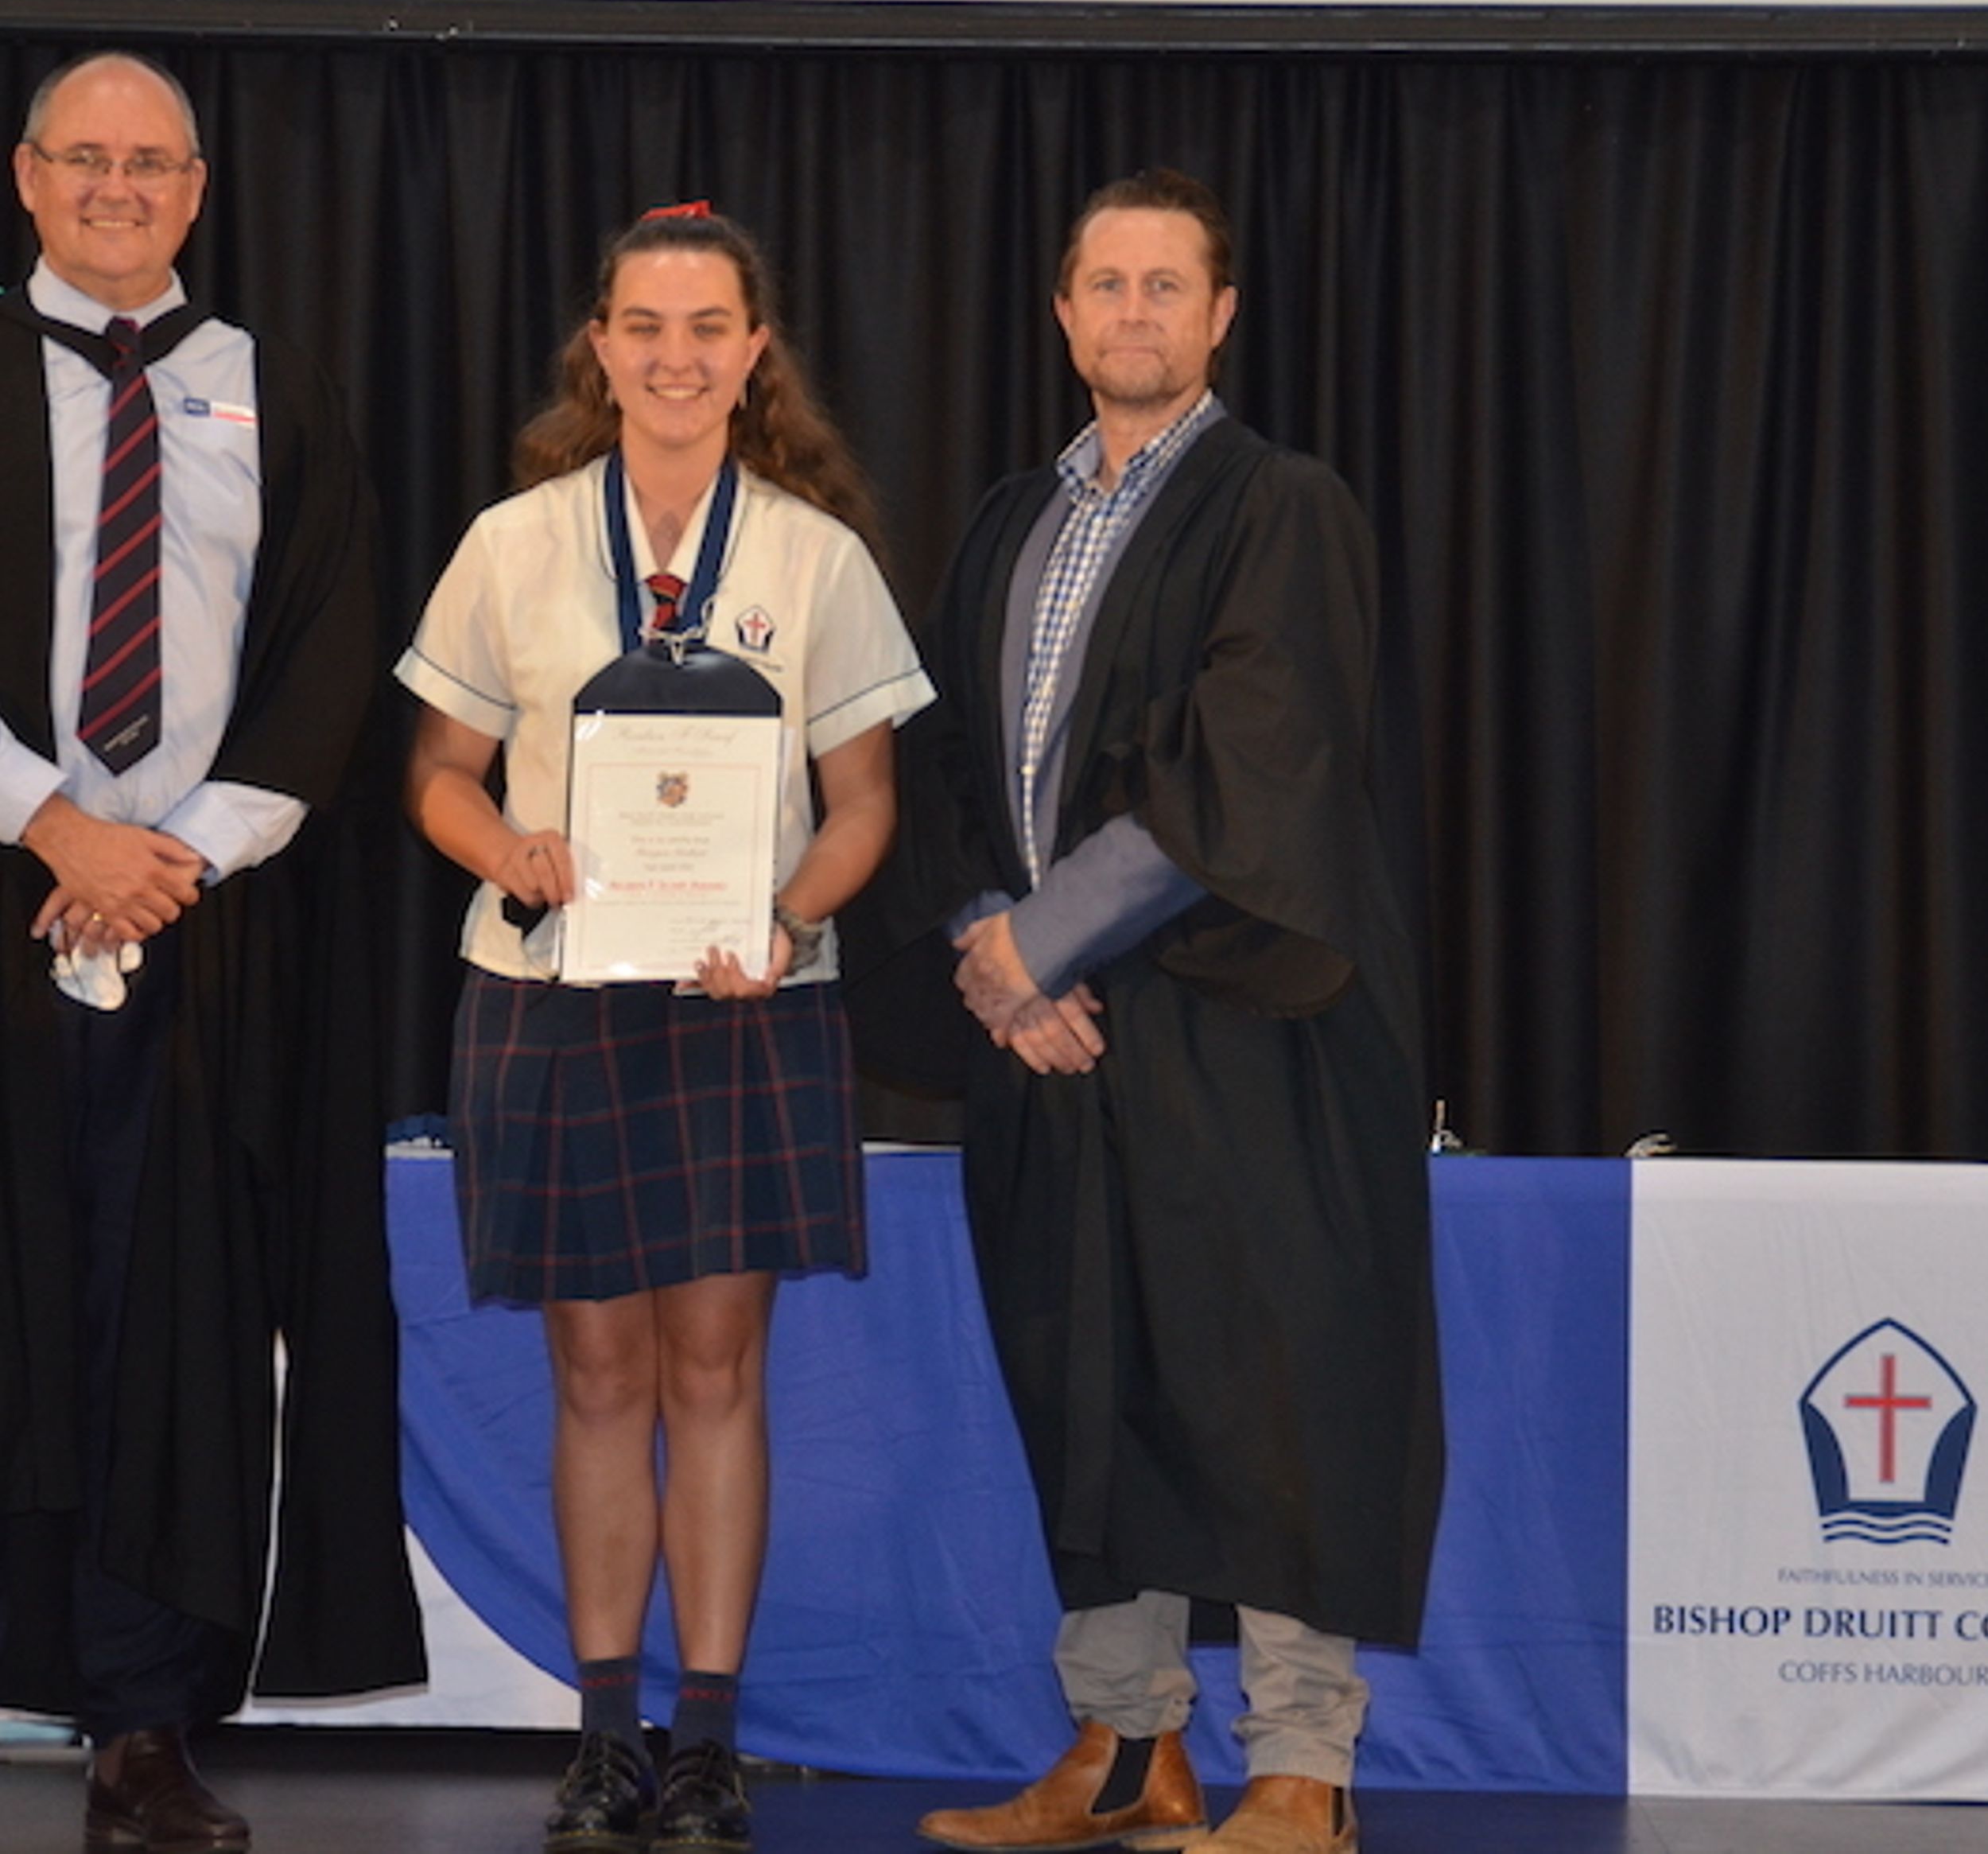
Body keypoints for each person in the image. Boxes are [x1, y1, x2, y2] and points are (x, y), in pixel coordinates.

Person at [901, 170, 1442, 1854]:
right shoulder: (1012, 518)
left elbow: (1253, 764)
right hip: (1055, 1036)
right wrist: (993, 950)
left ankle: (1300, 1769)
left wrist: (1039, 945)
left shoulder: (1282, 505)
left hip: (1252, 1024)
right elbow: (947, 762)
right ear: (1063, 314)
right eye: (1105, 283)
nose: (1132, 311)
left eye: (1166, 285)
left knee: (1274, 1384)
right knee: (1085, 1383)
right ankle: (1128, 1750)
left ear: (1218, 316)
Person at [398, 205, 933, 1854]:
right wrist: (508, 851)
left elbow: (864, 804)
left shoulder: (815, 556)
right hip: (552, 999)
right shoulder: (511, 543)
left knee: (715, 1368)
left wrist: (789, 917)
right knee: (593, 1369)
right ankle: (604, 1736)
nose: (675, 356)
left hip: (743, 1003)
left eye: (708, 326)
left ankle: (706, 1742)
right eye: (644, 325)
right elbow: (438, 775)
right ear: (602, 347)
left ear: (753, 349)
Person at [0, 52, 425, 1851]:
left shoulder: (276, 386)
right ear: (27, 176)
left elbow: (331, 646)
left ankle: (140, 1724)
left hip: (212, 926)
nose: (118, 186)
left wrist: (166, 859)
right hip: (11, 886)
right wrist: (54, 826)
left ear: (196, 188)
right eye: (85, 157)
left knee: (172, 1328)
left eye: (151, 162)